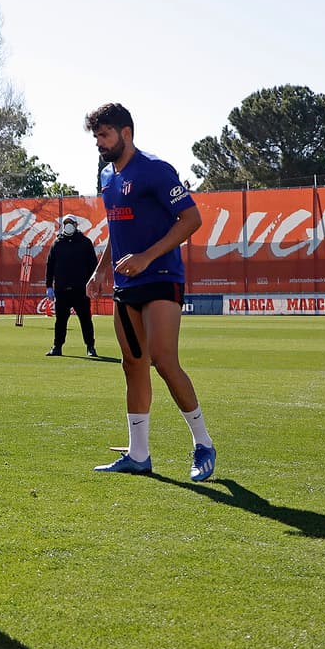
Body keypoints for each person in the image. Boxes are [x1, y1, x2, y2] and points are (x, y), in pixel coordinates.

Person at [84, 103, 216, 482]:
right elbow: (116, 230)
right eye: (96, 136)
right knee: (133, 366)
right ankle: (139, 454)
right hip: (126, 285)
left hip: (160, 276)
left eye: (105, 135)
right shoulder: (107, 178)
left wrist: (146, 257)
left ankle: (203, 442)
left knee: (163, 360)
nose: (99, 143)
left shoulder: (156, 170)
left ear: (126, 133)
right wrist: (100, 271)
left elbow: (192, 219)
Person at [44, 213, 98, 358]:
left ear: (76, 225)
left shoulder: (85, 243)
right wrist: (49, 286)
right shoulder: (57, 244)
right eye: (66, 223)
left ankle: (90, 347)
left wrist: (93, 283)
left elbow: (94, 266)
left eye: (71, 222)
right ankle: (57, 346)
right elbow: (50, 265)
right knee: (60, 320)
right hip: (61, 290)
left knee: (85, 319)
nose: (68, 225)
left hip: (81, 290)